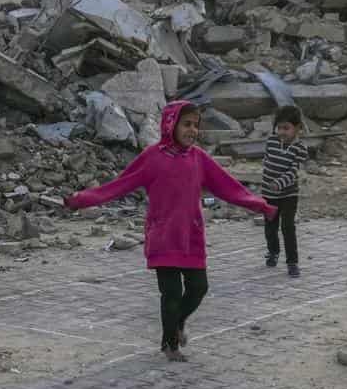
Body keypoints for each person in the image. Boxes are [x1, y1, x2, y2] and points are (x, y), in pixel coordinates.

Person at [63, 100, 278, 362]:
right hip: (163, 237)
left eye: (196, 126)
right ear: (170, 124)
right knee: (172, 293)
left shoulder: (199, 158)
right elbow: (119, 186)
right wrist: (81, 199)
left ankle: (178, 323)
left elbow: (229, 187)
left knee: (199, 287)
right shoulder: (152, 158)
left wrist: (261, 206)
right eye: (186, 124)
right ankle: (169, 344)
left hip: (191, 236)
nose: (192, 130)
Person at [260, 105, 308, 278]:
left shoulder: (300, 148)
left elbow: (294, 171)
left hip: (288, 194)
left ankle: (292, 262)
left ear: (297, 128)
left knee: (288, 227)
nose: (282, 132)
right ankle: (273, 252)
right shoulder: (271, 141)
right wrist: (267, 183)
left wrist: (279, 183)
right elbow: (267, 160)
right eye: (279, 127)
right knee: (270, 227)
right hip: (268, 194)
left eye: (286, 128)